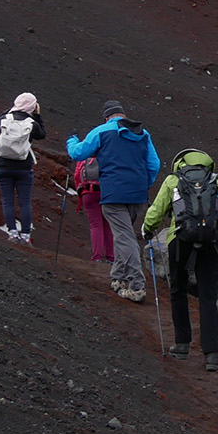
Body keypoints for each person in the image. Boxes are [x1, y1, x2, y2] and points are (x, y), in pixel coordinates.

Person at [141, 148, 218, 370]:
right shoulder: (216, 181)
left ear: (180, 162)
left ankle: (182, 344)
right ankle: (212, 355)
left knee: (178, 290)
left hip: (180, 240)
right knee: (208, 296)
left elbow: (157, 212)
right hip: (211, 242)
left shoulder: (173, 180)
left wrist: (147, 229)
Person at [67, 101, 160, 302]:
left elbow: (78, 153)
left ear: (106, 116)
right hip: (137, 193)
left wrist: (71, 140)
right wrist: (144, 183)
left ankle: (136, 286)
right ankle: (118, 277)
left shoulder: (102, 131)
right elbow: (154, 164)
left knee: (124, 237)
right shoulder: (142, 133)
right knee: (123, 234)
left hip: (114, 192)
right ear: (123, 114)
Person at [0, 93, 45, 242]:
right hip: (23, 168)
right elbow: (42, 135)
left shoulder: (5, 120)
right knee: (24, 201)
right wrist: (37, 115)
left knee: (7, 200)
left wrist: (11, 110)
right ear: (32, 107)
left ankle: (12, 233)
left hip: (3, 166)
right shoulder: (32, 123)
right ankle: (25, 235)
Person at [73, 154, 113, 262]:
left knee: (95, 225)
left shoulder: (85, 155)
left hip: (88, 193)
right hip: (106, 193)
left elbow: (77, 175)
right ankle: (110, 257)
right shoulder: (108, 153)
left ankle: (97, 257)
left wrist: (80, 191)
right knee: (108, 225)